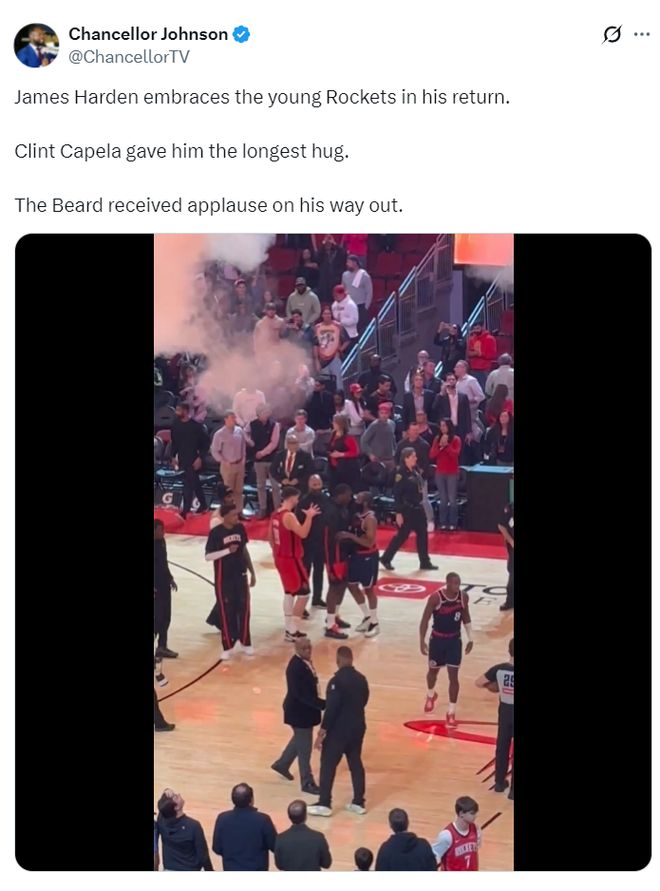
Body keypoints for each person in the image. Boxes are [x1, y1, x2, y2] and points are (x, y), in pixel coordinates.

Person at [308, 646, 370, 817]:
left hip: (338, 731)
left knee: (328, 765)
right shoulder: (362, 679)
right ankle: (358, 802)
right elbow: (364, 700)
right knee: (355, 763)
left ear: (338, 660)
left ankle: (324, 803)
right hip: (358, 728)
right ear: (352, 659)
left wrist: (321, 734)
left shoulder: (336, 682)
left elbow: (331, 710)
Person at [272, 637, 326, 793]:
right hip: (299, 713)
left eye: (309, 647)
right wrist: (322, 704)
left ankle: (282, 764)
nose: (308, 650)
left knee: (300, 740)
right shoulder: (295, 667)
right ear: (296, 649)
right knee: (305, 749)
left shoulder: (303, 663)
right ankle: (307, 782)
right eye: (304, 648)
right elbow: (301, 695)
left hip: (303, 711)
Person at [419, 572, 473, 722]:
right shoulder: (436, 598)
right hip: (437, 640)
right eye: (455, 583)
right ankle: (431, 694)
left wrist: (471, 638)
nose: (457, 586)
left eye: (459, 583)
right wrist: (421, 640)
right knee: (432, 672)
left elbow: (466, 617)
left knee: (453, 677)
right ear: (447, 583)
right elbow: (425, 620)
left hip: (454, 640)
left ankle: (451, 711)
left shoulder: (463, 597)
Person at [204, 505, 256, 659]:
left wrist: (252, 571)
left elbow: (244, 550)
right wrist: (227, 551)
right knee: (226, 612)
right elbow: (208, 556)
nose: (237, 517)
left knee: (244, 609)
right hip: (223, 578)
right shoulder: (216, 533)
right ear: (225, 516)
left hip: (240, 575)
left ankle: (246, 642)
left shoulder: (240, 528)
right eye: (233, 515)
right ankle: (227, 645)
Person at [269, 487, 321, 641]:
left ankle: (289, 628)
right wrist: (309, 517)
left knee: (289, 593)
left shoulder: (275, 514)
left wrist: (277, 553)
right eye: (297, 498)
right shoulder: (289, 516)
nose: (298, 501)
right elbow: (303, 533)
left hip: (280, 557)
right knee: (304, 593)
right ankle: (292, 629)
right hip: (291, 559)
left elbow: (270, 538)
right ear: (292, 498)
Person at [380, 448, 438, 571]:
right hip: (407, 510)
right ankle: (386, 558)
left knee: (422, 534)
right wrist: (399, 513)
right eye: (413, 456)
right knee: (402, 536)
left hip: (418, 508)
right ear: (406, 458)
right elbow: (397, 494)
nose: (415, 458)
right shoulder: (401, 474)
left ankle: (425, 561)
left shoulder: (415, 470)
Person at [338, 492, 380, 637]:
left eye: (358, 498)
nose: (355, 500)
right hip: (355, 555)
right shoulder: (356, 515)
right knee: (351, 585)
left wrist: (350, 536)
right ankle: (367, 616)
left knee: (369, 589)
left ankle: (375, 622)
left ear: (365, 502)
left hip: (368, 556)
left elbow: (369, 542)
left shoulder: (370, 519)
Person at [476, 638, 514, 798]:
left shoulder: (499, 669)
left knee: (502, 747)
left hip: (505, 711)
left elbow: (479, 682)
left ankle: (499, 783)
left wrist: (495, 687)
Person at [212, 783, 277, 871]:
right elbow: (274, 846)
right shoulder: (263, 820)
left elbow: (217, 848)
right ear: (251, 800)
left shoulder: (222, 818)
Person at [156, 789, 214, 871]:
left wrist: (166, 792)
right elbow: (203, 856)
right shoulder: (193, 826)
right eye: (176, 797)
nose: (179, 794)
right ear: (176, 807)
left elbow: (162, 807)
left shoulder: (161, 821)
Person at [170, 401, 210, 520]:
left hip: (194, 460)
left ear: (186, 411)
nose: (176, 412)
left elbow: (206, 444)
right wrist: (173, 456)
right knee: (194, 483)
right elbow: (174, 442)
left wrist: (200, 458)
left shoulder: (196, 427)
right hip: (182, 459)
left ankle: (185, 511)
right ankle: (203, 505)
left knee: (188, 484)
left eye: (179, 410)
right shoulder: (175, 425)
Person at [396, 422, 434, 532]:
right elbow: (396, 459)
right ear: (408, 431)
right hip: (405, 478)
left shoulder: (424, 445)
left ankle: (430, 520)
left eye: (417, 430)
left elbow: (426, 463)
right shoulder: (401, 444)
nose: (415, 432)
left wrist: (417, 474)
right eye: (413, 430)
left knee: (423, 500)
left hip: (420, 478)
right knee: (407, 501)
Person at [297, 475, 328, 609]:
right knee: (305, 571)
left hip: (321, 541)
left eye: (318, 484)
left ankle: (317, 598)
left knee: (319, 570)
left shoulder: (326, 499)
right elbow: (298, 521)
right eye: (314, 484)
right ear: (309, 485)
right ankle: (301, 603)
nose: (316, 487)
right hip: (306, 541)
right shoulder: (303, 501)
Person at [274, 800, 332, 871]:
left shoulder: (280, 838)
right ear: (305, 816)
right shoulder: (318, 837)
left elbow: (280, 865)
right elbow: (326, 864)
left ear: (289, 817)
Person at [245, 403, 281, 518]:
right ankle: (262, 508)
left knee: (275, 486)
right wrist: (249, 441)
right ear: (258, 414)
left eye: (267, 411)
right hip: (258, 460)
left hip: (272, 459)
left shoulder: (275, 425)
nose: (266, 414)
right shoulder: (252, 424)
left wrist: (262, 453)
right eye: (264, 412)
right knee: (260, 485)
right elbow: (244, 433)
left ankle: (277, 510)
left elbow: (274, 443)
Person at [210, 411, 247, 516]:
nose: (234, 420)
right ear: (225, 419)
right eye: (232, 418)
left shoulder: (239, 431)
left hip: (239, 464)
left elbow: (243, 445)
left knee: (239, 490)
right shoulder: (219, 434)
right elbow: (214, 450)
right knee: (229, 492)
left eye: (235, 418)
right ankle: (229, 513)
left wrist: (243, 458)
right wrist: (223, 461)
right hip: (228, 466)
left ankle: (239, 512)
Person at [432, 797, 481, 871]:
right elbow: (433, 856)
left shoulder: (476, 829)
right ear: (461, 814)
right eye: (472, 813)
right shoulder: (447, 835)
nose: (476, 816)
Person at [430, 419, 462, 531]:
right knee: (443, 499)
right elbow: (432, 455)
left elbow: (455, 454)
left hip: (452, 472)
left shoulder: (456, 439)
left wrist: (447, 446)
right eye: (441, 426)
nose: (442, 428)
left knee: (452, 499)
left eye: (444, 425)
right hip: (440, 472)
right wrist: (440, 447)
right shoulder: (436, 439)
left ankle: (453, 522)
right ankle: (443, 522)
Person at [154, 519, 178, 659]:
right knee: (157, 618)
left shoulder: (162, 542)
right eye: (160, 530)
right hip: (155, 587)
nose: (163, 532)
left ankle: (162, 646)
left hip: (164, 584)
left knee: (166, 616)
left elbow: (164, 562)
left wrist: (170, 578)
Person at [454, 360, 486, 464]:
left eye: (457, 367)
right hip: (460, 416)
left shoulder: (471, 380)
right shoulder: (457, 382)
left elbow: (481, 396)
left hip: (471, 414)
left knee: (473, 439)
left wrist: (470, 401)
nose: (455, 369)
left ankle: (477, 460)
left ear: (464, 368)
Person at [270, 433, 314, 502]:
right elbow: (272, 469)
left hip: (300, 488)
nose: (296, 445)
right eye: (293, 443)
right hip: (286, 487)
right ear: (288, 444)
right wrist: (281, 480)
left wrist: (298, 480)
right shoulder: (280, 455)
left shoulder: (306, 456)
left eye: (297, 443)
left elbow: (310, 471)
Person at [313, 305, 347, 390]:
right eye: (325, 313)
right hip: (322, 359)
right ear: (322, 315)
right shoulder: (317, 327)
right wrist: (316, 360)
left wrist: (340, 349)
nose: (327, 315)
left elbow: (347, 340)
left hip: (335, 357)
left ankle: (339, 396)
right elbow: (315, 344)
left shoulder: (338, 326)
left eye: (329, 313)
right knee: (325, 382)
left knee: (338, 380)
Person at [432, 372, 471, 440]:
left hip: (460, 428)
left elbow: (467, 414)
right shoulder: (441, 396)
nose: (451, 381)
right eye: (449, 380)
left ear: (456, 381)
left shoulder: (463, 396)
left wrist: (469, 431)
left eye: (453, 379)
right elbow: (434, 409)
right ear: (445, 382)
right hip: (446, 428)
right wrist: (441, 393)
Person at [328, 414, 361, 492]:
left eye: (335, 422)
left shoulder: (348, 437)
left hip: (346, 468)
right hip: (334, 468)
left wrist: (341, 454)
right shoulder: (333, 434)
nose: (333, 423)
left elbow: (355, 452)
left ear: (340, 424)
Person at [342, 254, 373, 334]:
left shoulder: (364, 275)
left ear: (355, 263)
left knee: (360, 329)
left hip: (360, 306)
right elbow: (343, 289)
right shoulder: (344, 275)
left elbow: (369, 292)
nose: (347, 264)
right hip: (348, 306)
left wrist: (365, 307)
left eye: (348, 262)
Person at [361, 401, 397, 470]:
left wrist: (395, 452)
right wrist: (370, 454)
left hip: (390, 458)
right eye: (382, 413)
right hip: (378, 459)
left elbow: (393, 439)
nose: (383, 415)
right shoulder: (374, 425)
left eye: (386, 413)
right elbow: (364, 441)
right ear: (378, 413)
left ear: (389, 414)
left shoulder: (392, 424)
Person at [317, 235, 347, 303]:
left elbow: (343, 255)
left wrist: (335, 244)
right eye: (327, 244)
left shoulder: (337, 253)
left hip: (336, 280)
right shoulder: (322, 254)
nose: (328, 245)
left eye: (329, 244)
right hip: (324, 282)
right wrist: (323, 244)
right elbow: (317, 258)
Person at [467, 323, 497, 389]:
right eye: (474, 329)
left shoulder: (490, 339)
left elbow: (492, 354)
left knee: (484, 389)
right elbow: (468, 353)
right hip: (473, 369)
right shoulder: (472, 339)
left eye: (477, 328)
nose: (476, 330)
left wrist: (480, 354)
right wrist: (474, 353)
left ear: (482, 328)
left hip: (484, 369)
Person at [497, 502, 514, 611]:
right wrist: (511, 541)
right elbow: (501, 525)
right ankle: (510, 601)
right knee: (512, 572)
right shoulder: (510, 508)